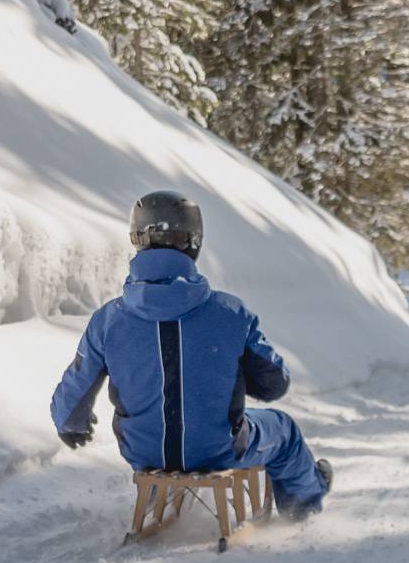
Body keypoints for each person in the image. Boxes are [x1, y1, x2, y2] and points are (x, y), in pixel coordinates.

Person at [49, 190, 333, 516]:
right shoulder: (230, 313)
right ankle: (303, 505)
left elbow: (75, 390)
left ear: (138, 240)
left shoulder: (108, 320)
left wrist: (71, 423)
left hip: (144, 452)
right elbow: (274, 384)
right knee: (283, 428)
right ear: (194, 242)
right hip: (219, 450)